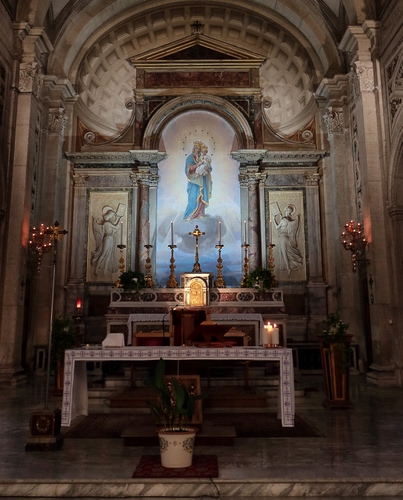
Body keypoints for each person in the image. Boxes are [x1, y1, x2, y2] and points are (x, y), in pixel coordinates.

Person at [183, 141, 213, 220]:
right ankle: (190, 214)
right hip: (193, 181)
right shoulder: (190, 158)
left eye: (199, 148)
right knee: (193, 197)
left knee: (202, 195)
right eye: (197, 148)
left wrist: (207, 168)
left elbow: (209, 167)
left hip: (202, 180)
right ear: (194, 148)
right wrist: (197, 165)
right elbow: (188, 169)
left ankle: (200, 213)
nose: (198, 150)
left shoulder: (203, 157)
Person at [272, 204, 303, 277]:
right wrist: (281, 217)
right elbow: (286, 226)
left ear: (286, 211)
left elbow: (277, 227)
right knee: (287, 253)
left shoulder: (283, 220)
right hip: (287, 238)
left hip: (282, 238)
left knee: (284, 254)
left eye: (286, 210)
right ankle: (291, 266)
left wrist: (273, 219)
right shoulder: (290, 220)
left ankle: (288, 268)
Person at [90, 206, 122, 276]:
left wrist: (117, 219)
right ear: (109, 215)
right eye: (112, 215)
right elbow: (116, 227)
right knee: (104, 254)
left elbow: (114, 225)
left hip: (110, 238)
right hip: (107, 238)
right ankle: (96, 269)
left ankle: (105, 271)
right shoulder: (106, 223)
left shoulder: (108, 222)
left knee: (108, 255)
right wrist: (119, 219)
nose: (112, 216)